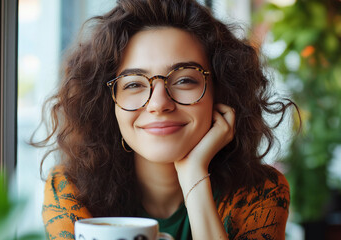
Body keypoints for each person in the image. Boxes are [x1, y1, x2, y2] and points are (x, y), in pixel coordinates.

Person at [38, 0, 299, 239]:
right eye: (133, 85)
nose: (159, 104)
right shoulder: (70, 190)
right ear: (109, 103)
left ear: (221, 93)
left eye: (185, 79)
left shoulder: (261, 193)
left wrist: (194, 178)